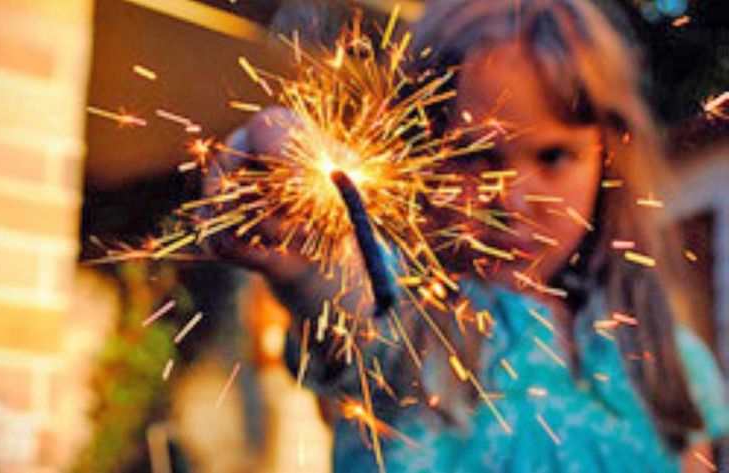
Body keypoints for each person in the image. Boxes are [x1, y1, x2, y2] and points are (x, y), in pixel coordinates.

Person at [205, 0, 729, 471]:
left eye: (553, 156)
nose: (514, 200)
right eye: (476, 156)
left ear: (610, 156)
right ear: (418, 151)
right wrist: (301, 222)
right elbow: (354, 301)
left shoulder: (669, 361)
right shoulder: (409, 330)